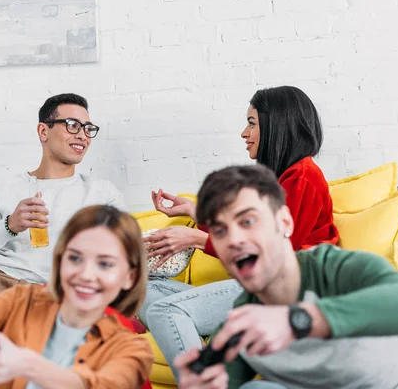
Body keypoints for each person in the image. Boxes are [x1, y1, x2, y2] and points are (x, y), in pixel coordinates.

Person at [174, 165, 398, 389]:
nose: (234, 240)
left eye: (247, 222)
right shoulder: (242, 327)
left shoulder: (333, 268)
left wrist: (298, 320)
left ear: (285, 222)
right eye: (220, 231)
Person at [138, 86, 339, 380]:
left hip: (286, 293)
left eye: (252, 123)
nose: (244, 133)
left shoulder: (304, 176)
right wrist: (194, 212)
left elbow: (272, 257)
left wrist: (195, 237)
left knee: (166, 312)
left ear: (277, 124)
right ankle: (204, 340)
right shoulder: (279, 180)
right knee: (142, 291)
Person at [0, 93, 125, 388]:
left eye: (88, 129)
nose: (83, 136)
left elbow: (128, 251)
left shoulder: (101, 193)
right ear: (43, 131)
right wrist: (9, 226)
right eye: (72, 125)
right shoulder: (2, 187)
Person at [0, 205, 153, 389]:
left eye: (105, 264)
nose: (86, 275)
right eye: (75, 258)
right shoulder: (28, 302)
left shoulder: (127, 347)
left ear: (129, 277)